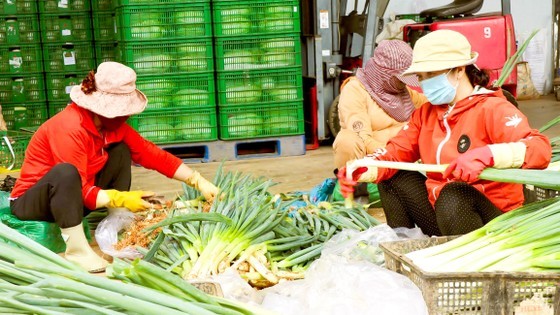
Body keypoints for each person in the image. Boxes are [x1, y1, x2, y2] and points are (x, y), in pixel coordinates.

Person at [9, 62, 219, 272]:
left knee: (120, 151)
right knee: (66, 172)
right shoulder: (69, 127)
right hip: (34, 202)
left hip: (73, 198)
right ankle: (77, 251)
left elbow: (150, 153)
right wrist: (121, 197)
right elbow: (78, 187)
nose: (126, 116)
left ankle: (118, 219)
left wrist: (196, 179)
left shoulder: (111, 126)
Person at [337, 30, 551, 236]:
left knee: (455, 192)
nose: (425, 82)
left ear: (459, 70)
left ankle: (466, 266)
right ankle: (404, 247)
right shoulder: (425, 114)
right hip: (443, 215)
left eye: (432, 74)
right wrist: (361, 169)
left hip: (490, 223)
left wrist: (488, 155)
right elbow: (395, 152)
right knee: (391, 173)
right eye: (421, 76)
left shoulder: (492, 108)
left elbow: (540, 148)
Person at [333, 39, 427, 169]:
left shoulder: (402, 91)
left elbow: (428, 104)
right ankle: (354, 185)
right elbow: (363, 138)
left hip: (404, 156)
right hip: (377, 159)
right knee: (347, 140)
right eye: (400, 79)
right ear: (385, 75)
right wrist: (392, 155)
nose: (404, 83)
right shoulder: (355, 90)